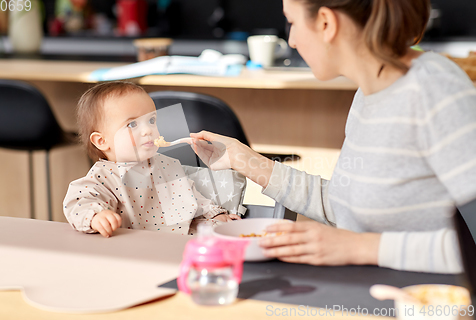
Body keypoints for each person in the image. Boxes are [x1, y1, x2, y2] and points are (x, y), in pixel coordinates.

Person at [189, 0, 476, 273]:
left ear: (326, 22)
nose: (291, 41)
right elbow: (345, 207)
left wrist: (361, 248)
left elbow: (470, 242)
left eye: (292, 22)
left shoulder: (436, 90)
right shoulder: (369, 91)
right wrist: (246, 160)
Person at [63, 81, 239, 237]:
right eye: (132, 124)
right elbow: (79, 201)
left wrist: (214, 214)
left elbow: (190, 196)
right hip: (134, 246)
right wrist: (95, 216)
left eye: (151, 120)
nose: (148, 130)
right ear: (102, 141)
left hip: (180, 237)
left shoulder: (166, 164)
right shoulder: (103, 177)